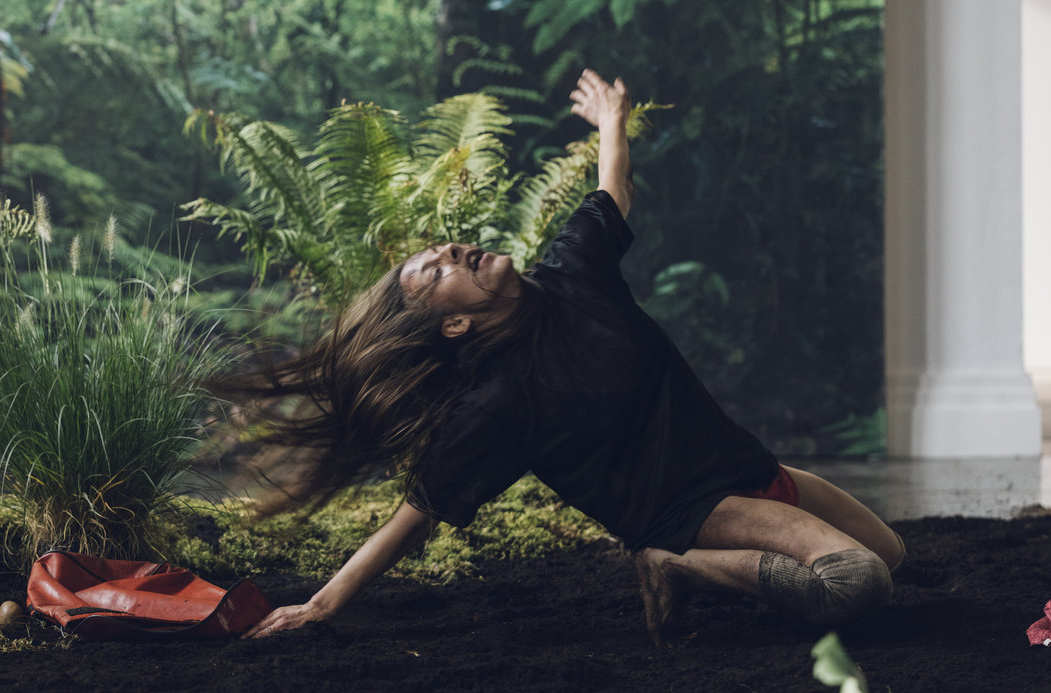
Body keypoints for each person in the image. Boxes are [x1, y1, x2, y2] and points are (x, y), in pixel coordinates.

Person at [228, 69, 905, 644]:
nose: (453, 250)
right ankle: (675, 564)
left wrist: (612, 118)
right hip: (695, 508)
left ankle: (709, 567)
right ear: (455, 322)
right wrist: (322, 603)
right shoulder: (498, 403)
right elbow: (416, 514)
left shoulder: (573, 271)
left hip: (749, 463)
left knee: (892, 554)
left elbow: (616, 191)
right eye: (435, 271)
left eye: (443, 248)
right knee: (857, 581)